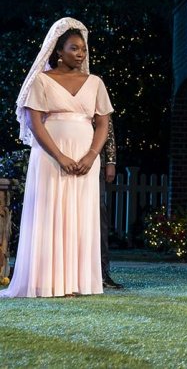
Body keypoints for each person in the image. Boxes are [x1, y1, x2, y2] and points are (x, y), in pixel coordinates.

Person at [1, 17, 113, 298]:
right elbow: (35, 122)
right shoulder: (41, 80)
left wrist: (91, 155)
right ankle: (46, 281)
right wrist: (60, 155)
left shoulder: (95, 82)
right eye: (74, 48)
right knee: (50, 214)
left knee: (80, 216)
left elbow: (103, 123)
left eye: (83, 49)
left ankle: (77, 282)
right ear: (58, 51)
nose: (80, 54)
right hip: (50, 155)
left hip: (86, 157)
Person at [100, 118, 123, 289]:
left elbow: (107, 124)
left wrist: (110, 161)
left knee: (99, 216)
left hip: (94, 160)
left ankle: (102, 271)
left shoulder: (96, 90)